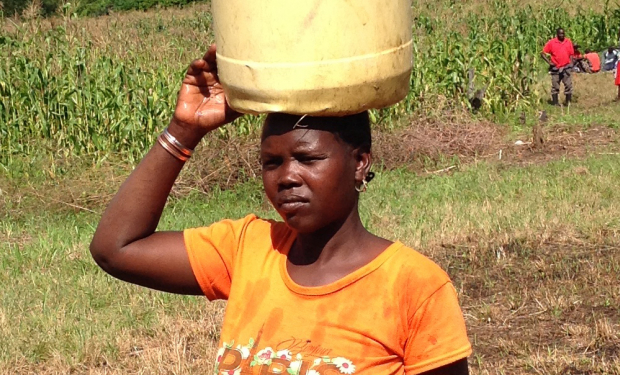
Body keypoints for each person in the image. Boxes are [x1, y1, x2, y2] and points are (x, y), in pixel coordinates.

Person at [89, 45, 473, 375]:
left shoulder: (414, 285)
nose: (287, 176)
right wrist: (184, 130)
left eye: (308, 158)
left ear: (359, 163)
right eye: (271, 163)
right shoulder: (248, 249)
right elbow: (116, 249)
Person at [542, 28, 575, 106]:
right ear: (557, 34)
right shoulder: (552, 42)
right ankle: (555, 103)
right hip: (555, 68)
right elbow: (543, 53)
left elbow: (571, 54)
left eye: (563, 33)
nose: (562, 35)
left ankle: (568, 102)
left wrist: (570, 63)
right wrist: (549, 62)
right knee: (555, 85)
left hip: (566, 67)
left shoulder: (568, 42)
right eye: (560, 34)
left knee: (568, 85)